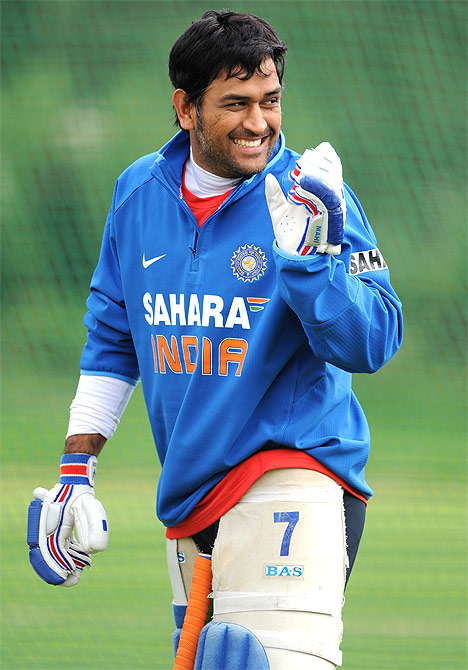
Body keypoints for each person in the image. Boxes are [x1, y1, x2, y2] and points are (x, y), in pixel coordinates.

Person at [27, 10, 403, 669]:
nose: (259, 123)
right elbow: (114, 337)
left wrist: (314, 260)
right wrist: (74, 472)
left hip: (293, 473)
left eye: (271, 101)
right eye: (236, 103)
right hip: (190, 492)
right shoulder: (138, 193)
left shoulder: (309, 197)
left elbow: (371, 341)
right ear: (185, 108)